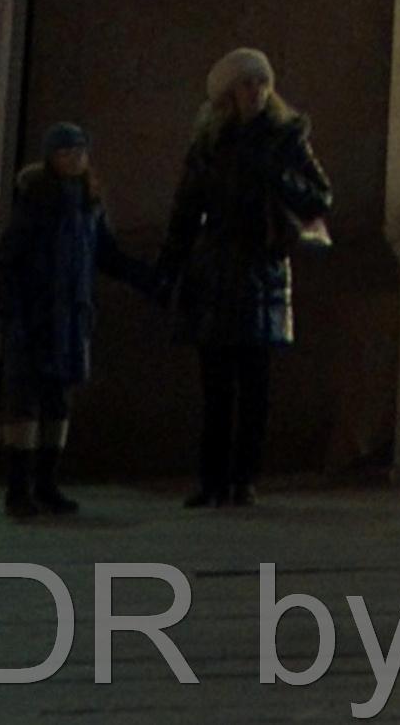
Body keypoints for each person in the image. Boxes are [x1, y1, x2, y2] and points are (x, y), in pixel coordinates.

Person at [153, 49, 331, 513]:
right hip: (214, 271)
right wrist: (169, 267)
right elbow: (185, 209)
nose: (255, 91)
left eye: (261, 82)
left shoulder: (285, 138)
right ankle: (212, 479)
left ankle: (243, 478)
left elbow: (320, 197)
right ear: (228, 93)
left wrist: (278, 175)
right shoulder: (210, 143)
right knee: (216, 385)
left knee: (255, 384)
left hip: (260, 268)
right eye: (246, 83)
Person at [0, 123, 139, 519]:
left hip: (70, 317)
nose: (73, 158)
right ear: (51, 157)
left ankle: (46, 484)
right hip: (37, 315)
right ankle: (18, 490)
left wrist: (146, 278)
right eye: (64, 151)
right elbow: (9, 263)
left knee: (57, 400)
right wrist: (12, 315)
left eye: (78, 150)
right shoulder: (35, 202)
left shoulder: (89, 203)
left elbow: (105, 253)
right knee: (25, 402)